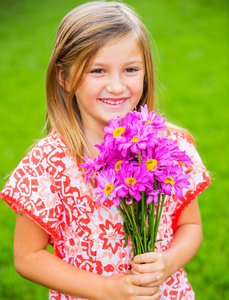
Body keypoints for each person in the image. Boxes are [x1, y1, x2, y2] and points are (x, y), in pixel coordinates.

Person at [0, 1, 211, 299]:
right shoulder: (48, 163)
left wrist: (167, 263)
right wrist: (106, 289)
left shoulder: (166, 147)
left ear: (146, 73)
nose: (116, 86)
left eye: (130, 69)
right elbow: (28, 256)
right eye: (97, 70)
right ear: (65, 77)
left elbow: (190, 226)